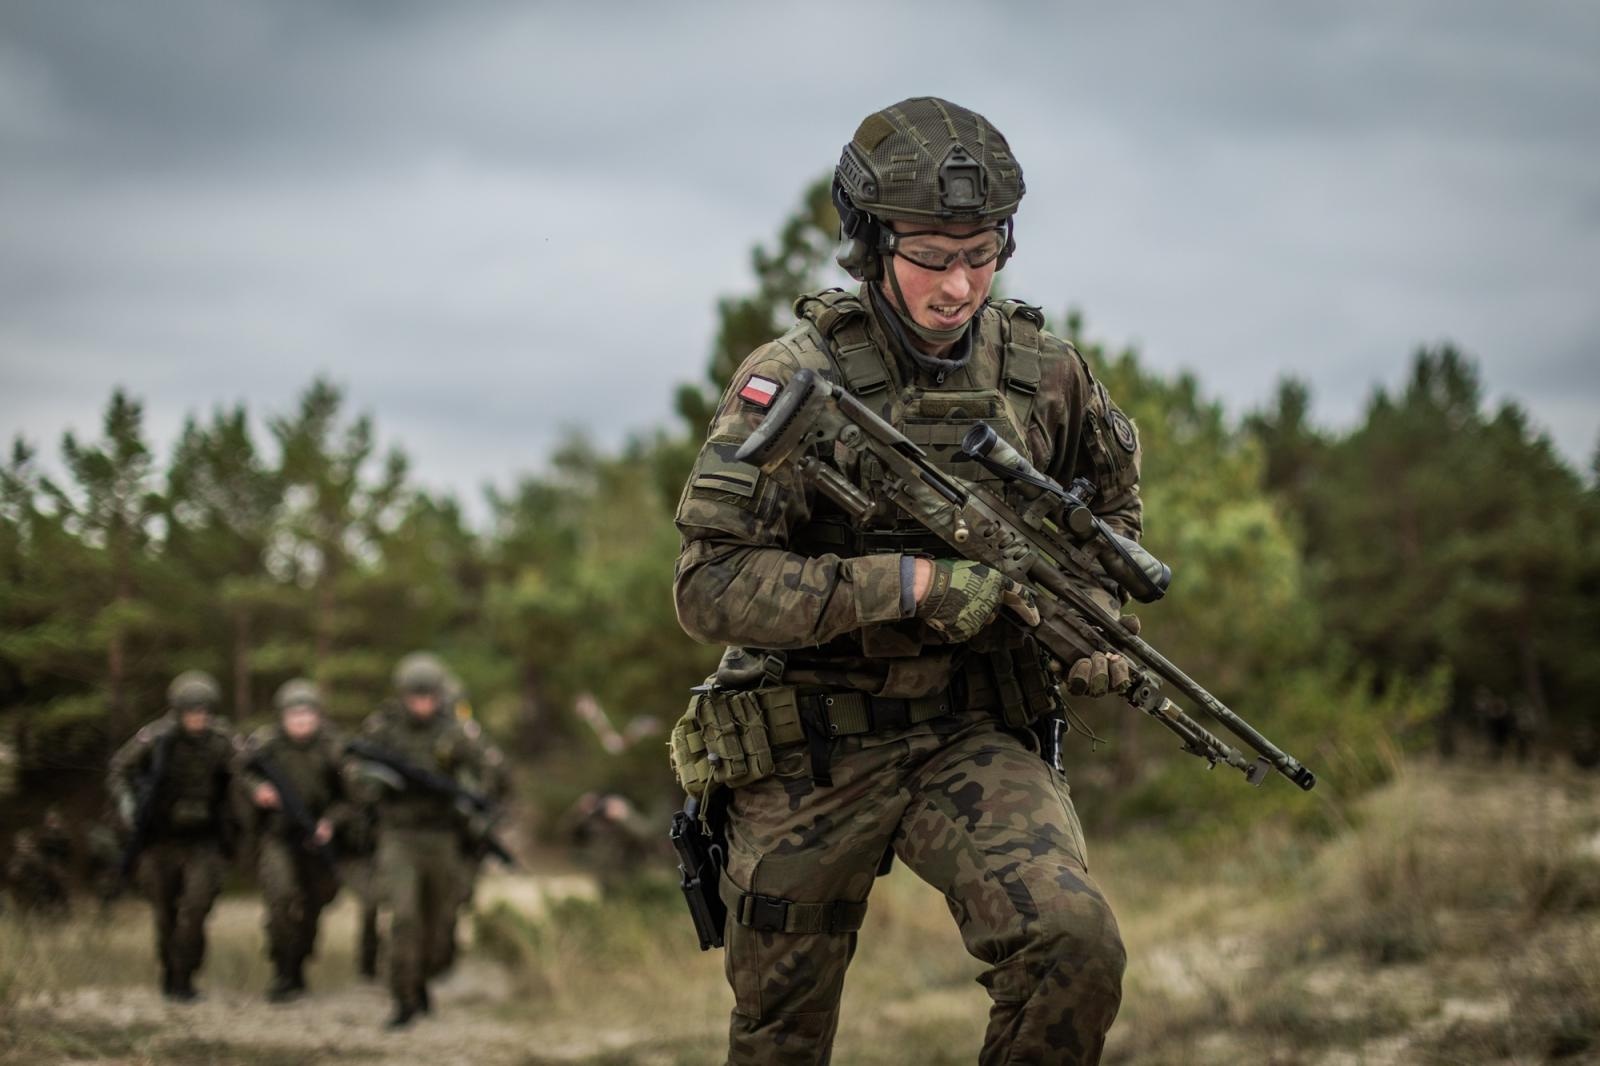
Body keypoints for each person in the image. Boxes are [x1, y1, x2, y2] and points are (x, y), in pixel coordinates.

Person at [672, 97, 1138, 1064]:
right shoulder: (791, 378)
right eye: (932, 254)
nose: (959, 284)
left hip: (973, 733)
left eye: (983, 252)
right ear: (871, 243)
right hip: (812, 740)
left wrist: (1095, 621)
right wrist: (909, 585)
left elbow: (1109, 522)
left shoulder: (1048, 375)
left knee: (1073, 946)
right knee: (779, 1034)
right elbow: (709, 585)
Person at [349, 652, 487, 1029]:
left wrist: (468, 796)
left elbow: (484, 772)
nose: (422, 703)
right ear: (403, 695)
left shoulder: (454, 730)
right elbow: (354, 771)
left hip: (442, 837)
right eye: (415, 695)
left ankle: (422, 980)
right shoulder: (382, 727)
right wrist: (373, 782)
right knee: (404, 918)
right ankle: (403, 998)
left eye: (429, 695)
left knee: (439, 923)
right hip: (399, 836)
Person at [106, 669, 239, 1001]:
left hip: (203, 840)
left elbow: (246, 770)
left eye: (204, 711)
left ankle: (186, 975)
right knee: (164, 912)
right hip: (160, 840)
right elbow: (119, 769)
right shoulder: (155, 739)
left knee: (196, 907)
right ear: (178, 711)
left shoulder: (222, 742)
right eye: (192, 711)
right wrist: (129, 804)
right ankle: (171, 973)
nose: (198, 718)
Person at [237, 678, 350, 1002]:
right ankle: (283, 971)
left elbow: (351, 797)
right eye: (294, 716)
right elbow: (240, 770)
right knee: (280, 899)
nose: (301, 723)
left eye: (307, 716)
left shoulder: (333, 747)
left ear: (318, 717)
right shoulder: (266, 745)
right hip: (279, 837)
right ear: (282, 717)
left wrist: (331, 823)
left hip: (318, 840)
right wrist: (256, 789)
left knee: (313, 907)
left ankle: (299, 965)